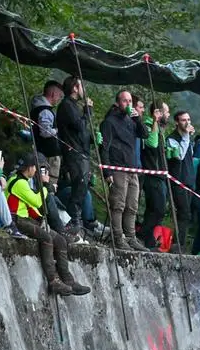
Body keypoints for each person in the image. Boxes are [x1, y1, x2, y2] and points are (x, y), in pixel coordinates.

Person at [6, 154, 91, 296]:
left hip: (27, 218)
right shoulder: (19, 183)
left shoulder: (23, 181)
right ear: (31, 168)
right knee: (47, 237)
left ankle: (68, 280)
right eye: (36, 168)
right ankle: (53, 280)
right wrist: (45, 185)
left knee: (60, 240)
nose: (37, 171)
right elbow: (37, 202)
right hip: (18, 220)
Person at [100, 90, 149, 250]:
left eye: (130, 101)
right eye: (125, 101)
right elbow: (104, 147)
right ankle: (117, 238)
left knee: (132, 206)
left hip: (132, 168)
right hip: (118, 167)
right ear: (118, 102)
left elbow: (145, 135)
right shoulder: (109, 122)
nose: (128, 104)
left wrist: (138, 119)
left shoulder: (131, 120)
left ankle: (131, 237)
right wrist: (107, 171)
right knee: (118, 205)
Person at [56, 76, 93, 237]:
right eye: (81, 85)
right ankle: (74, 220)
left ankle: (76, 220)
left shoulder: (73, 106)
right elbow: (79, 126)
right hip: (75, 153)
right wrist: (88, 112)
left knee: (82, 188)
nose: (84, 89)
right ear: (75, 88)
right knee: (79, 187)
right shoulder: (66, 105)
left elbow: (81, 131)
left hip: (81, 152)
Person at [139, 102, 169, 251]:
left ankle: (148, 240)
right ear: (158, 112)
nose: (168, 115)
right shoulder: (148, 125)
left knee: (154, 209)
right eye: (166, 112)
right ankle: (144, 234)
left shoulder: (159, 128)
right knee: (158, 209)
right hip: (152, 173)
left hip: (160, 174)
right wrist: (155, 121)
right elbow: (152, 143)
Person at [166, 110, 195, 252]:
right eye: (184, 120)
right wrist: (186, 138)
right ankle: (177, 244)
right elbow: (180, 156)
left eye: (188, 119)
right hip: (178, 180)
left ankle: (180, 243)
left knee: (187, 213)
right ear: (177, 122)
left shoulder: (187, 139)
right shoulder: (172, 139)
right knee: (183, 212)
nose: (187, 123)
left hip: (188, 180)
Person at [30, 80, 64, 185]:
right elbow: (44, 132)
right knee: (49, 182)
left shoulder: (37, 107)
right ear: (53, 94)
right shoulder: (45, 111)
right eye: (59, 95)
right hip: (49, 155)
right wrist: (57, 130)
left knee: (41, 179)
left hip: (41, 152)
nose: (59, 98)